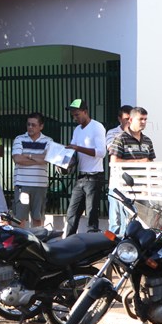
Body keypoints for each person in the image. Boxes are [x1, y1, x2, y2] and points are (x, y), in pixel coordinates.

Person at [109, 107, 155, 234]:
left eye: (145, 119)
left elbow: (150, 162)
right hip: (123, 188)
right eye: (140, 119)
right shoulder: (120, 138)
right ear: (130, 120)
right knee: (122, 226)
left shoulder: (147, 140)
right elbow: (114, 162)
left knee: (144, 222)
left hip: (142, 188)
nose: (144, 122)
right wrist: (139, 162)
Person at [64, 99, 107, 236]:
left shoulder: (97, 127)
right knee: (72, 213)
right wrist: (64, 163)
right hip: (81, 177)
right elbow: (72, 153)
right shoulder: (77, 130)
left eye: (77, 114)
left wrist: (77, 148)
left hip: (94, 177)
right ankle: (68, 242)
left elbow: (101, 152)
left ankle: (91, 244)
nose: (75, 118)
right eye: (73, 115)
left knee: (91, 214)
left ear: (85, 112)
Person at [11, 113, 52, 227]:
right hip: (22, 185)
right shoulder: (19, 139)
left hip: (40, 185)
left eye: (33, 125)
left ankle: (37, 243)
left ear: (41, 126)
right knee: (20, 219)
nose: (30, 127)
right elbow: (17, 159)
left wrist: (28, 155)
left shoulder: (48, 141)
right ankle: (20, 244)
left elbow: (47, 159)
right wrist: (38, 157)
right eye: (28, 124)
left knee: (38, 219)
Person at [105, 105, 133, 234]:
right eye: (126, 118)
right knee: (115, 221)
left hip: (131, 184)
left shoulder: (138, 135)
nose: (129, 122)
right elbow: (113, 150)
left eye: (131, 119)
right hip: (116, 182)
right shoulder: (112, 133)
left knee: (128, 220)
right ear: (119, 119)